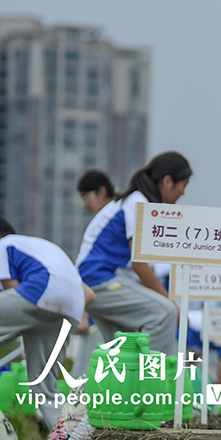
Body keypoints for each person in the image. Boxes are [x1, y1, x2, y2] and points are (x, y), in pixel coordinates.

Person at [0, 217, 87, 428]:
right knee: (44, 387)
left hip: (42, 291)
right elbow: (23, 320)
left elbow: (14, 299)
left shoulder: (3, 246)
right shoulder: (38, 246)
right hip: (72, 307)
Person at [74, 152, 189, 357]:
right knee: (165, 313)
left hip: (97, 281)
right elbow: (140, 265)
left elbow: (145, 268)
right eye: (183, 185)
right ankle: (149, 385)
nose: (183, 193)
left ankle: (127, 384)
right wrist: (172, 304)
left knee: (122, 350)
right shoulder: (139, 203)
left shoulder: (137, 203)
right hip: (98, 280)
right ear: (167, 181)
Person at [71, 169, 117, 376]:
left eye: (86, 197)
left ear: (101, 191)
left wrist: (82, 313)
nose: (85, 204)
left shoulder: (110, 217)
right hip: (102, 301)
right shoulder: (109, 217)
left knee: (90, 367)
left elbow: (87, 267)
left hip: (104, 299)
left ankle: (77, 407)